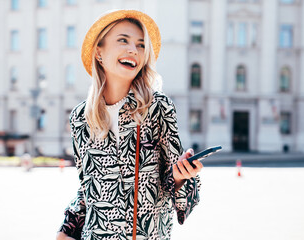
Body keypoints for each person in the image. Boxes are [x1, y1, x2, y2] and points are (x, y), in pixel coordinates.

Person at [56, 9, 203, 240]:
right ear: (99, 52)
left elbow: (172, 181)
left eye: (141, 45)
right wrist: (66, 229)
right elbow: (88, 188)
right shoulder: (81, 118)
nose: (133, 50)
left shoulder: (158, 107)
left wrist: (182, 176)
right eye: (123, 40)